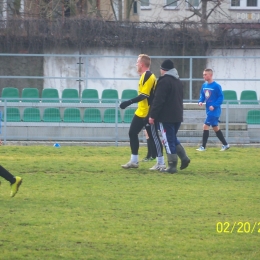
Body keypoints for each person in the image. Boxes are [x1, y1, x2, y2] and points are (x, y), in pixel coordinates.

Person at [149, 59, 190, 173]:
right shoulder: (178, 81)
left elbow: (158, 100)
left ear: (164, 70)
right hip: (177, 116)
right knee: (172, 138)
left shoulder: (164, 81)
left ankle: (172, 165)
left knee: (167, 140)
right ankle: (184, 158)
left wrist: (152, 115)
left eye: (161, 69)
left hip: (166, 117)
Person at [120, 54, 157, 168]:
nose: (136, 64)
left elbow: (144, 95)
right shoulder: (143, 76)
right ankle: (134, 161)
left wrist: (128, 102)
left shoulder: (148, 75)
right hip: (141, 111)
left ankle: (161, 161)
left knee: (152, 137)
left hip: (147, 112)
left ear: (141, 64)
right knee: (132, 133)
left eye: (137, 62)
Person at [196, 68, 230, 152]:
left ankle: (203, 147)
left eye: (205, 74)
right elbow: (202, 95)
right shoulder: (204, 85)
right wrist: (200, 101)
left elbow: (221, 97)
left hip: (214, 111)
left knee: (205, 126)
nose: (203, 76)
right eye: (203, 74)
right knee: (215, 128)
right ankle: (226, 145)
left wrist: (214, 105)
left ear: (210, 75)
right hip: (208, 110)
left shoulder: (216, 86)